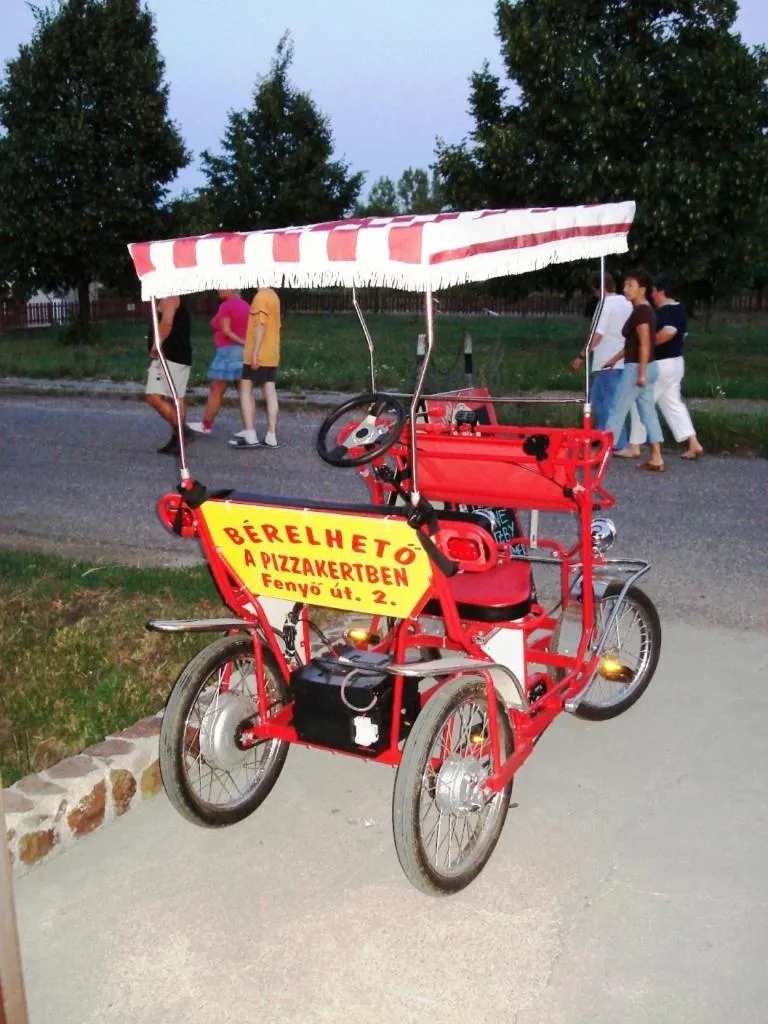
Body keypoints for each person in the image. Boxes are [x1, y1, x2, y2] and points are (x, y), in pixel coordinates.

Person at [620, 275, 704, 461]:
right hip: (676, 363)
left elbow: (669, 332)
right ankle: (693, 442)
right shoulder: (680, 309)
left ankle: (635, 445)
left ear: (660, 292)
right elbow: (683, 335)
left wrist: (648, 343)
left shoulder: (666, 312)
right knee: (673, 404)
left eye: (653, 291)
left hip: (661, 364)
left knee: (641, 402)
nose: (652, 295)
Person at [604, 268, 666, 472]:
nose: (625, 288)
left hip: (638, 368)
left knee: (617, 409)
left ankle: (602, 454)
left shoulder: (641, 311)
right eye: (625, 284)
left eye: (630, 285)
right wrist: (614, 360)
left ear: (642, 289)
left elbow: (645, 343)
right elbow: (634, 344)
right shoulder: (644, 309)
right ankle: (657, 457)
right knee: (647, 412)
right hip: (648, 366)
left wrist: (640, 373)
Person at [571, 272, 632, 449]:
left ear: (600, 289)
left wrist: (582, 355)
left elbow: (597, 334)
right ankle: (601, 435)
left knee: (607, 402)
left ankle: (615, 440)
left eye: (595, 291)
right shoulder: (625, 302)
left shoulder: (604, 304)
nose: (594, 295)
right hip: (621, 357)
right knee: (599, 399)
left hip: (607, 360)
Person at [188, 289, 250, 435]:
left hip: (228, 353)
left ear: (233, 287)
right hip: (243, 354)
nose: (218, 289)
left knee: (216, 389)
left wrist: (242, 342)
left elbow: (225, 330)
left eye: (222, 286)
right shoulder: (247, 306)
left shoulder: (226, 306)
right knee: (244, 392)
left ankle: (206, 425)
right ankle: (249, 429)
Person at [228, 287, 281, 449]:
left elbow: (260, 326)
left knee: (245, 391)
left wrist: (254, 353)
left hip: (258, 353)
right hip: (272, 353)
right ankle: (271, 435)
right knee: (270, 391)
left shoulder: (260, 297)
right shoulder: (273, 296)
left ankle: (250, 433)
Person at [144, 295, 193, 456]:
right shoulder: (172, 296)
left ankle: (182, 430)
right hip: (178, 355)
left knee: (153, 395)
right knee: (176, 397)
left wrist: (155, 345)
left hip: (170, 355)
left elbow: (167, 323)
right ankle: (177, 439)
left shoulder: (170, 297)